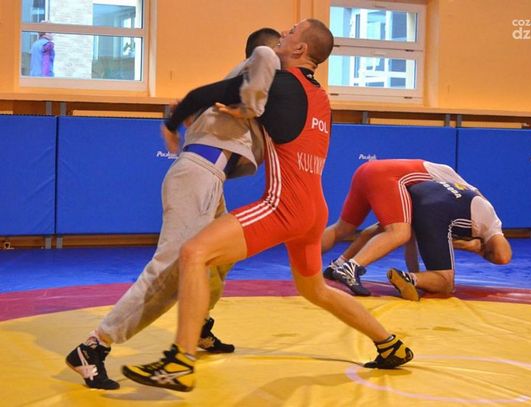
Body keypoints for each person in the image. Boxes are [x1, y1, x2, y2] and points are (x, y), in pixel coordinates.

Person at [122, 19, 413, 393]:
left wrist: (174, 120)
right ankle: (390, 344)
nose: (282, 38)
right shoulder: (321, 97)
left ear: (300, 49)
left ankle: (180, 361)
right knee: (315, 290)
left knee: (194, 253)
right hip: (314, 209)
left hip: (283, 205)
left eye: (290, 34)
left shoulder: (280, 83)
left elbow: (214, 92)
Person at [65, 28, 281, 390]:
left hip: (209, 179)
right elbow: (264, 55)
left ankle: (198, 327)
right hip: (197, 175)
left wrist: (179, 118)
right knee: (171, 266)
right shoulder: (264, 62)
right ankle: (92, 347)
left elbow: (201, 96)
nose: (286, 46)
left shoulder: (239, 83)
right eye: (284, 41)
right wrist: (249, 108)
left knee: (219, 258)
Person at [322, 159, 478, 296]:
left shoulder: (432, 189)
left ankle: (334, 264)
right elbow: (476, 195)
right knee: (399, 233)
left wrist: (414, 276)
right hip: (387, 177)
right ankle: (350, 267)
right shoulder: (450, 188)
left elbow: (407, 240)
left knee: (343, 228)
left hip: (365, 171)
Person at [386, 180, 512, 300]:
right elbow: (503, 257)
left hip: (411, 193)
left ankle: (400, 275)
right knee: (445, 284)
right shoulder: (491, 222)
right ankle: (410, 278)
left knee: (385, 231)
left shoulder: (468, 197)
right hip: (436, 211)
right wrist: (475, 249)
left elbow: (411, 243)